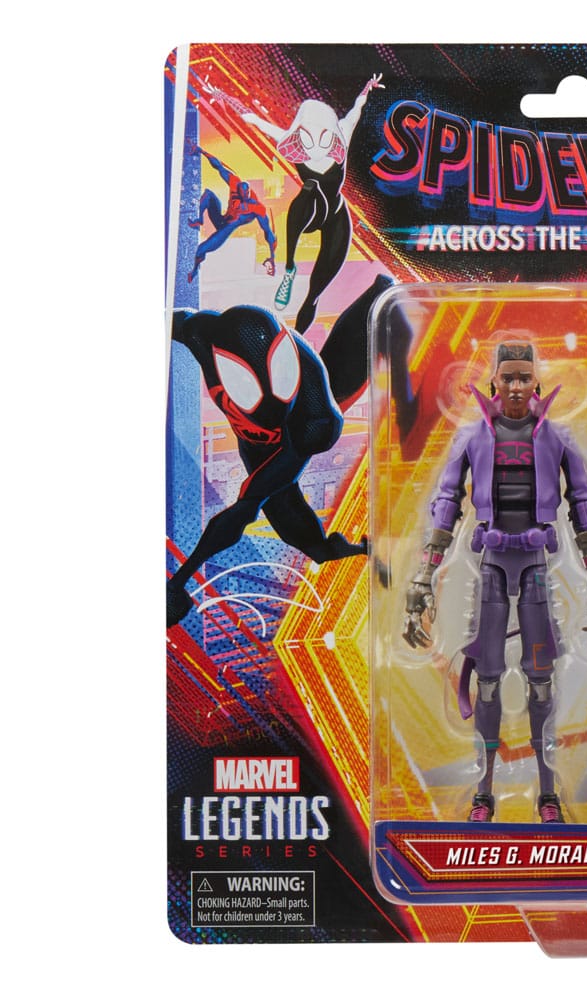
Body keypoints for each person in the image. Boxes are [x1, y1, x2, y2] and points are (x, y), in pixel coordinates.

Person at [402, 341, 587, 823]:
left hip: (537, 569)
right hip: (493, 569)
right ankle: (483, 795)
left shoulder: (559, 438)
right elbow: (446, 505)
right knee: (487, 682)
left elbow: (583, 508)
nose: (517, 387)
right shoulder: (472, 438)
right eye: (509, 377)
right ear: (494, 382)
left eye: (525, 377)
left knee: (541, 683)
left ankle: (549, 795)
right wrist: (423, 575)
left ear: (537, 382)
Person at [167, 306, 368, 628]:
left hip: (299, 434)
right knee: (287, 519)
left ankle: (332, 550)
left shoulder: (317, 422)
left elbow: (243, 509)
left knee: (275, 508)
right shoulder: (199, 332)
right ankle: (330, 549)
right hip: (255, 439)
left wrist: (179, 582)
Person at [207, 74, 384, 332]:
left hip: (336, 217)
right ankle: (290, 266)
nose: (316, 145)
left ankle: (297, 342)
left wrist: (368, 87)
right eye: (309, 136)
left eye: (322, 135)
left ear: (331, 131)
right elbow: (252, 118)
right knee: (309, 188)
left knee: (314, 294)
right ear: (300, 133)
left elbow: (357, 107)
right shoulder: (291, 141)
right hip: (307, 213)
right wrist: (223, 96)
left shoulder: (343, 134)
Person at [187, 145, 276, 281]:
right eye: (242, 195)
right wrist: (202, 151)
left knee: (200, 250)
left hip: (226, 229)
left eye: (246, 195)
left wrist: (272, 257)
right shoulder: (234, 182)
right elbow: (219, 166)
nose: (244, 197)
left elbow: (268, 232)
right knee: (208, 195)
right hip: (221, 219)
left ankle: (194, 271)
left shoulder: (257, 208)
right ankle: (200, 220)